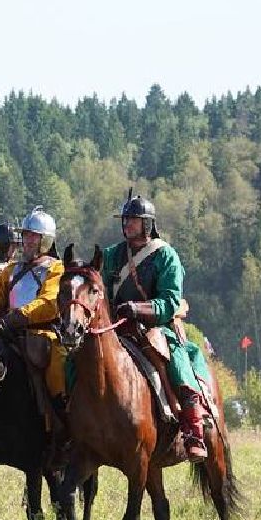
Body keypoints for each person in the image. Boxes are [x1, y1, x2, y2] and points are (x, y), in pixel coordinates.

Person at [101, 192, 212, 460]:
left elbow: (170, 301)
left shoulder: (166, 256)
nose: (127, 224)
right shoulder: (112, 255)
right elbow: (100, 291)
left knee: (176, 360)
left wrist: (138, 309)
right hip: (113, 326)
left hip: (153, 327)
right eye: (125, 219)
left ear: (147, 224)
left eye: (133, 219)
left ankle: (193, 429)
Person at [0, 207, 68, 463]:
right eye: (25, 235)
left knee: (58, 368)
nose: (27, 240)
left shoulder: (56, 269)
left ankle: (63, 424)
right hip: (6, 335)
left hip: (42, 334)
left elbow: (49, 302)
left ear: (46, 240)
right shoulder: (10, 271)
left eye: (33, 236)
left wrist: (16, 317)